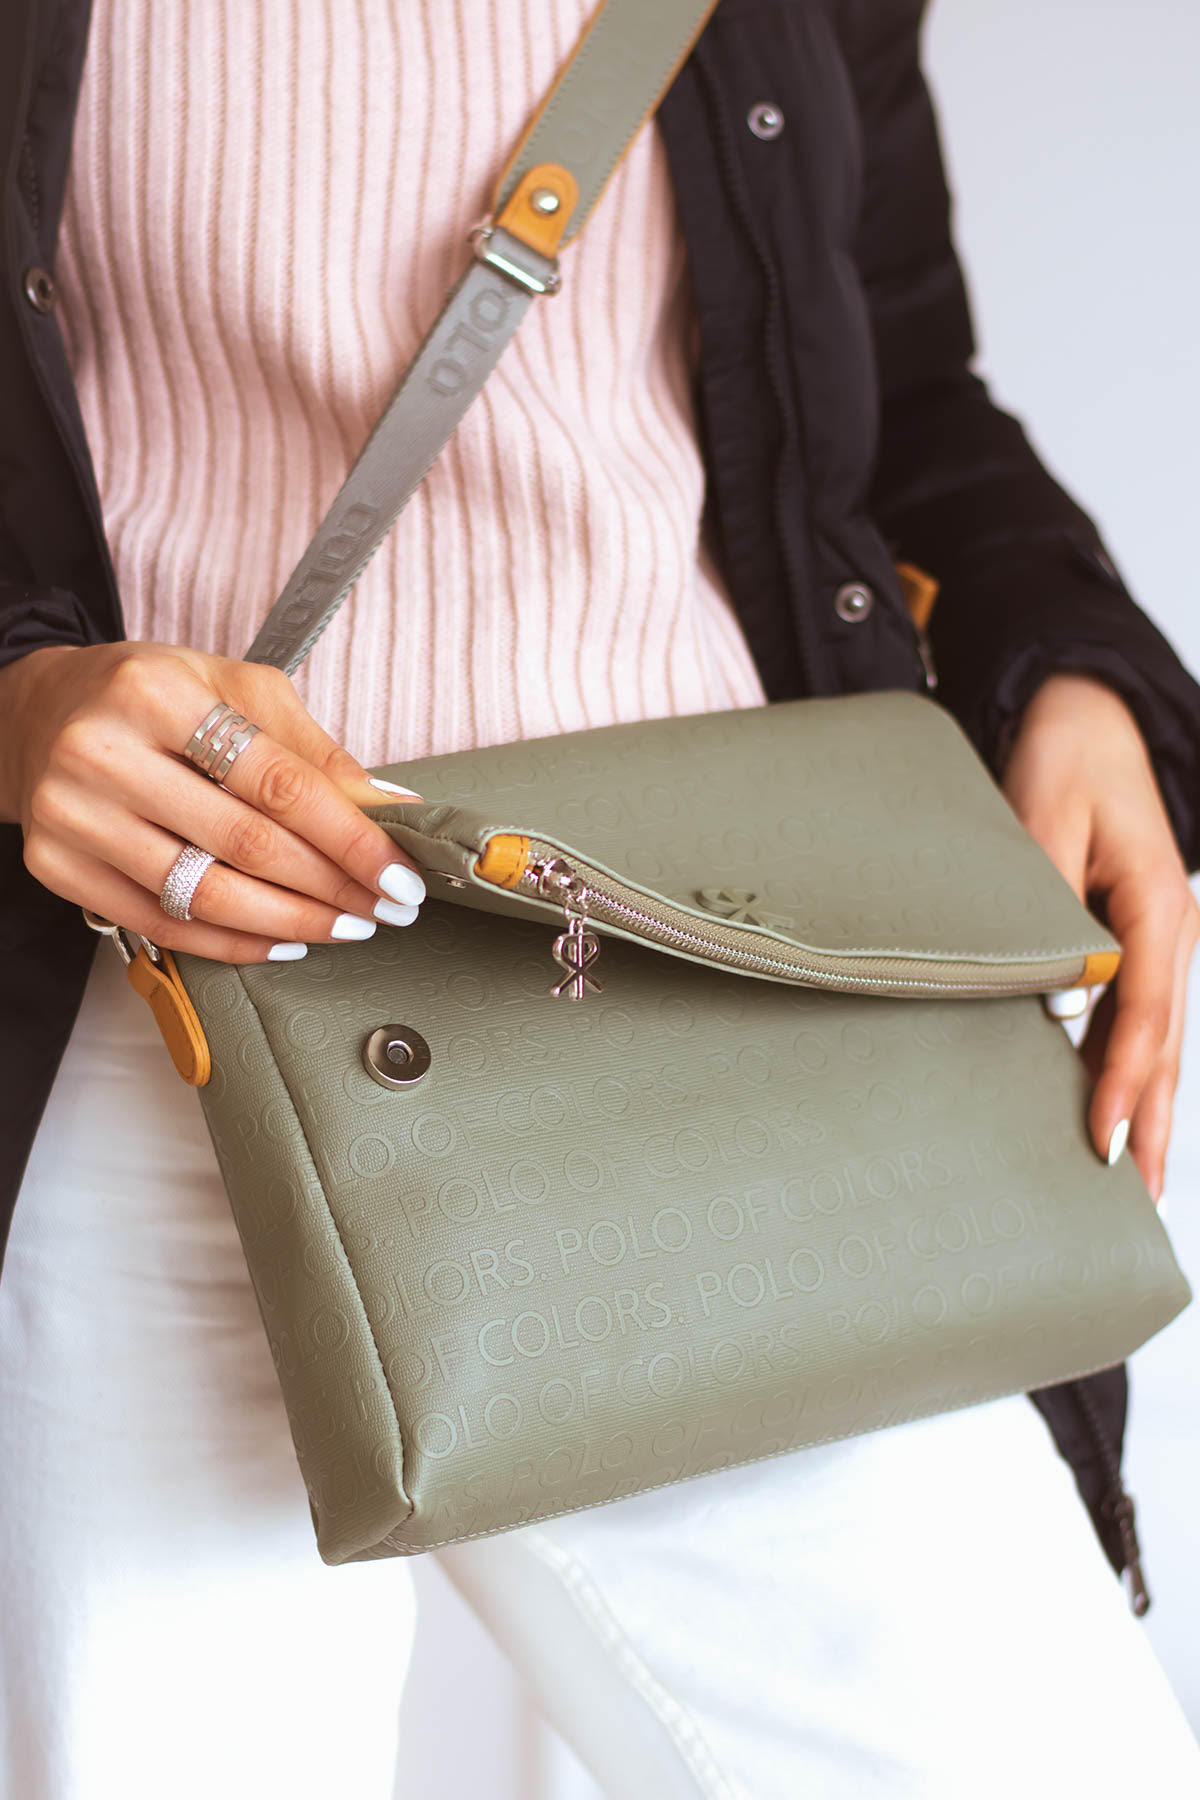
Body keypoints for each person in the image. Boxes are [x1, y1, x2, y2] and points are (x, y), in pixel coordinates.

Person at [1, 2, 1198, 1796]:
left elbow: (901, 380)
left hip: (709, 1001)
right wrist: (18, 695)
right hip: (162, 1014)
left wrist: (1080, 669)